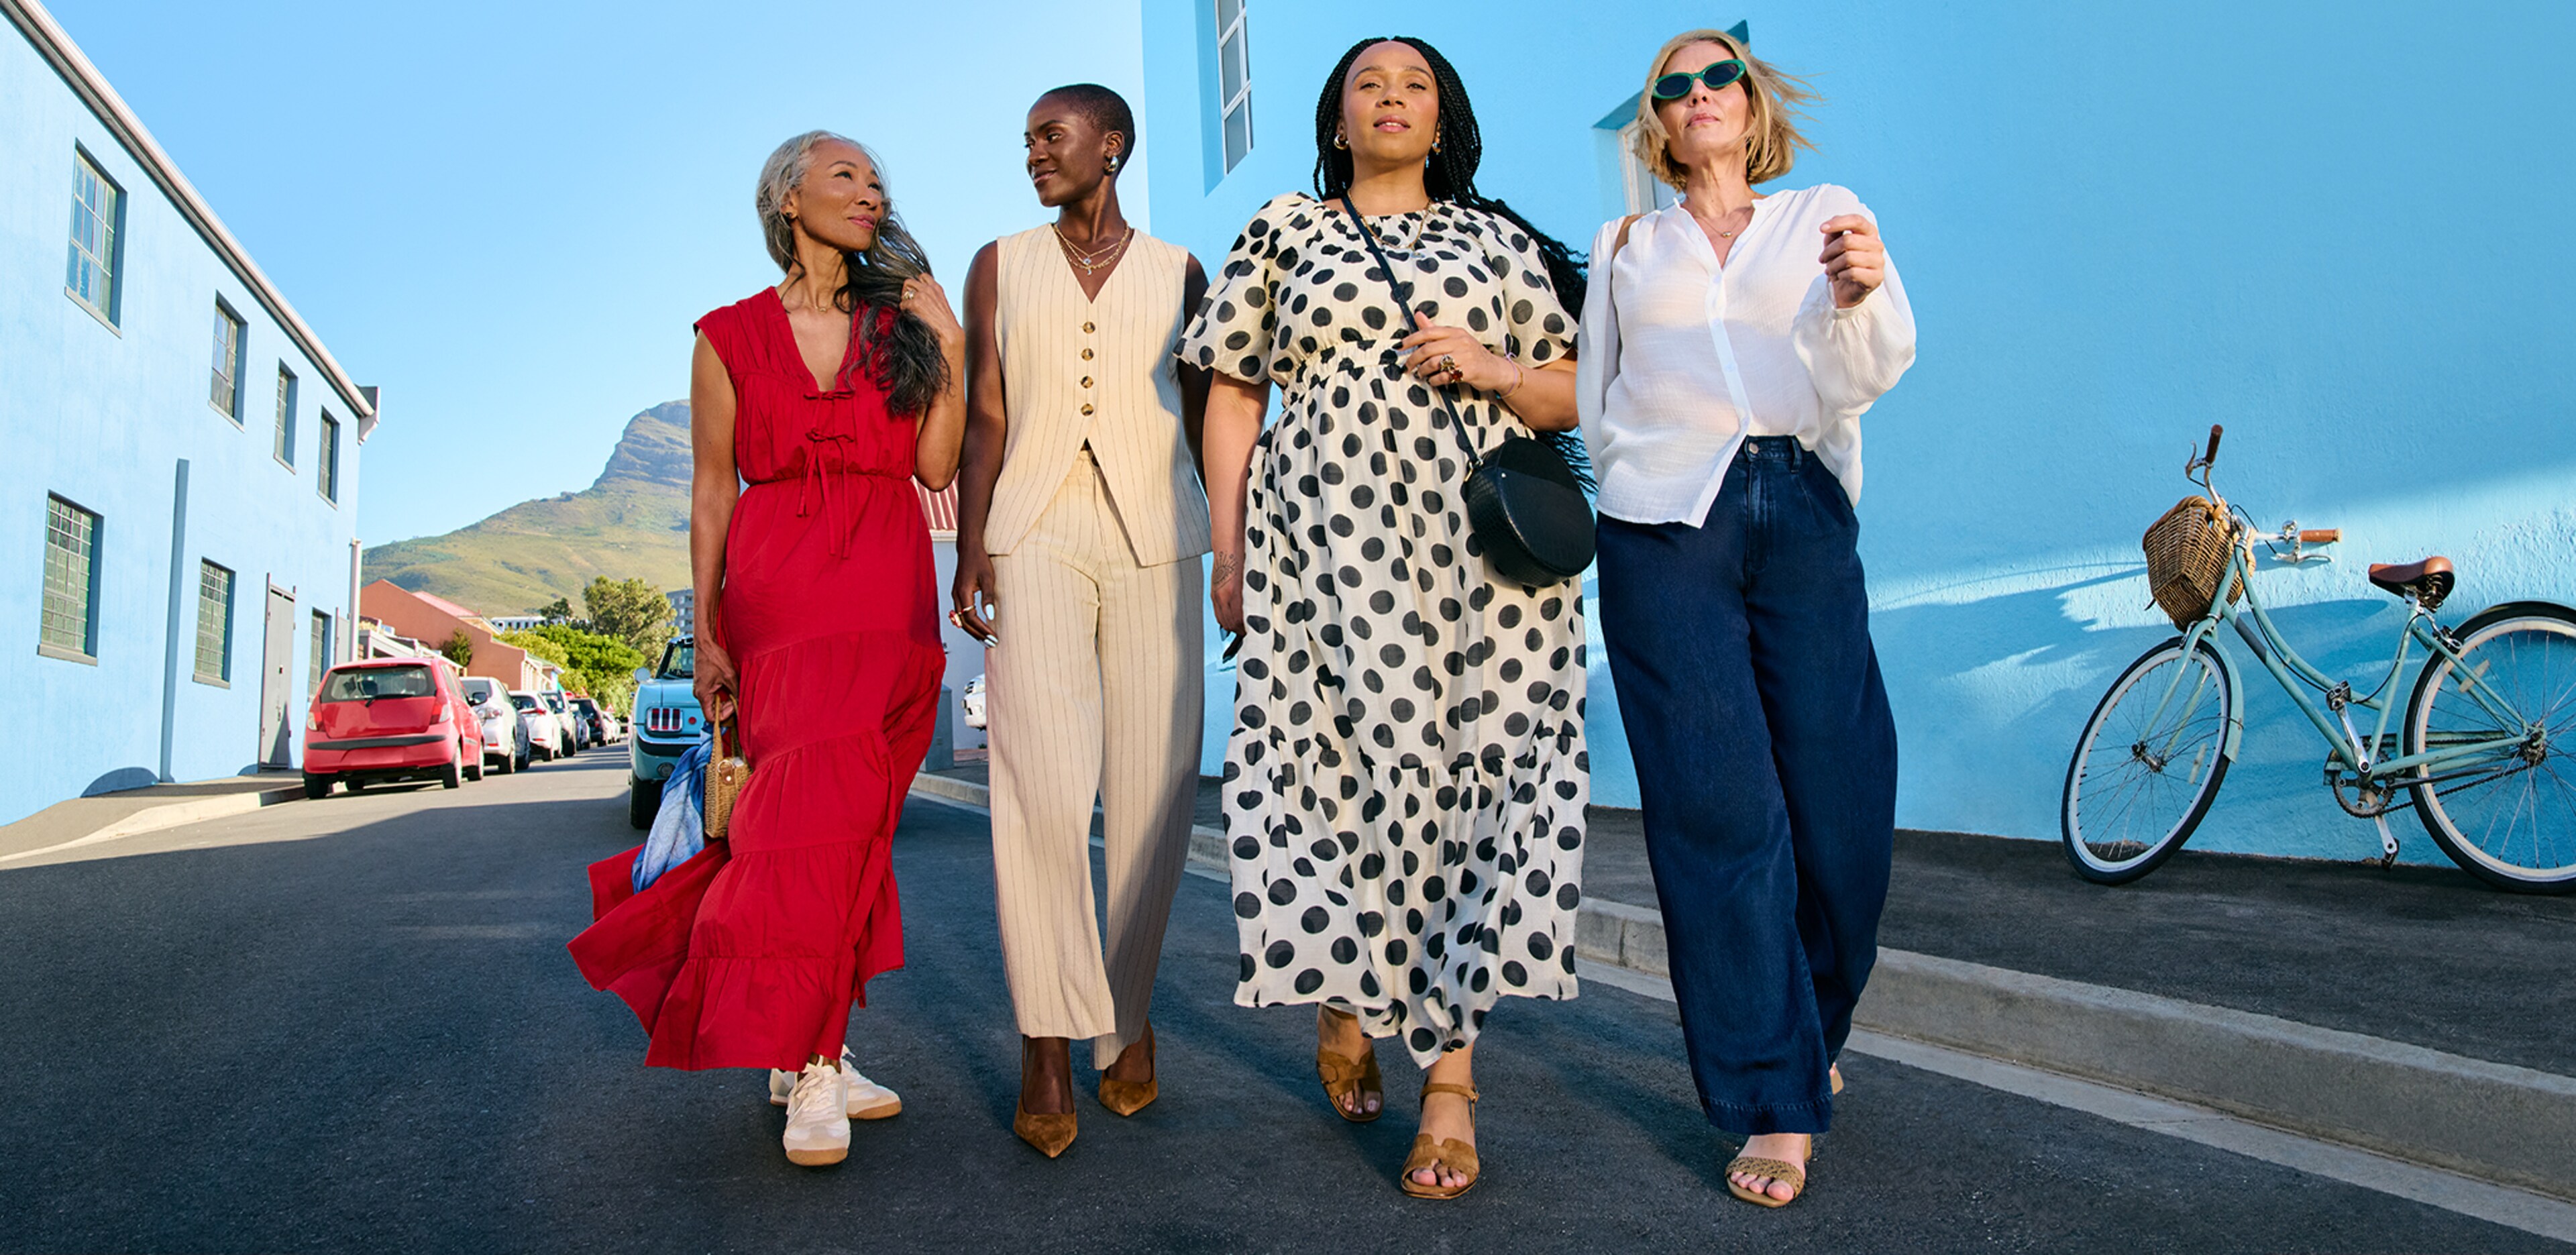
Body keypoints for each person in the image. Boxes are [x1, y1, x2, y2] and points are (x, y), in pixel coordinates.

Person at [1181, 36, 1588, 1201]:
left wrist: (1494, 365)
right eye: (1372, 84)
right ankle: (1347, 991)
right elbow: (1234, 394)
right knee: (1330, 769)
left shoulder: (1497, 243)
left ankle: (1450, 1083)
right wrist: (1228, 548)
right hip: (1320, 548)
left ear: (1442, 118)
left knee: (1474, 785)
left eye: (1416, 86)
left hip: (1477, 564)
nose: (1394, 99)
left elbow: (1569, 391)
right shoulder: (1283, 231)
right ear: (1339, 117)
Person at [568, 130, 966, 1170]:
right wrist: (705, 630)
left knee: (852, 834)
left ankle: (800, 1046)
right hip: (781, 601)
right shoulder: (728, 336)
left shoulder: (901, 329)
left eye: (877, 179)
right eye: (846, 175)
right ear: (789, 200)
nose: (870, 191)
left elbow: (935, 466)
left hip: (887, 599)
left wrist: (953, 349)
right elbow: (712, 490)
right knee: (802, 832)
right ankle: (817, 1063)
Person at [1574, 23, 1915, 1209]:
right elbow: (1598, 397)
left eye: (1721, 73)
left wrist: (1857, 298)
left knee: (1844, 808)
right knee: (1718, 811)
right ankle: (1775, 1096)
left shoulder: (1824, 214)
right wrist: (1639, 486)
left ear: (1752, 100)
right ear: (1658, 124)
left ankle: (1807, 1028)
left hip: (1802, 505)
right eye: (1675, 86)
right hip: (1666, 527)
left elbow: (1864, 372)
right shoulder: (1626, 244)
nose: (1700, 92)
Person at [948, 85, 1213, 1159]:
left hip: (1161, 532)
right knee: (1041, 786)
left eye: (1050, 138)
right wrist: (971, 543)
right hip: (1035, 528)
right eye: (1026, 141)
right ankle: (1048, 1036)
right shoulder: (998, 263)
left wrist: (1240, 550)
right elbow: (988, 410)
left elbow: (1210, 415)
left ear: (1112, 147)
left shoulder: (1182, 271)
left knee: (1155, 793)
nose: (1033, 155)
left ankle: (1127, 1014)